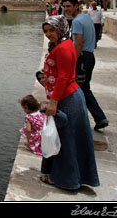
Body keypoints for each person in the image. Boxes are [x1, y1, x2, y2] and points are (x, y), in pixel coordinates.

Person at [39, 15, 99, 189]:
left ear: (61, 29)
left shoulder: (63, 47)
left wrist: (53, 102)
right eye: (46, 31)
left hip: (67, 98)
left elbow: (64, 77)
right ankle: (72, 176)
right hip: (67, 97)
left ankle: (66, 179)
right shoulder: (61, 44)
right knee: (68, 139)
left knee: (66, 140)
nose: (49, 34)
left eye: (52, 30)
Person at [62, 0, 109, 131]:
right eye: (64, 6)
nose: (66, 9)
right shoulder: (86, 17)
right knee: (83, 89)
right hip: (90, 57)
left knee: (79, 90)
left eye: (68, 6)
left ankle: (93, 119)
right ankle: (99, 118)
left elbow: (78, 44)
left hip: (82, 58)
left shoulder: (77, 22)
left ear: (76, 6)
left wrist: (73, 62)